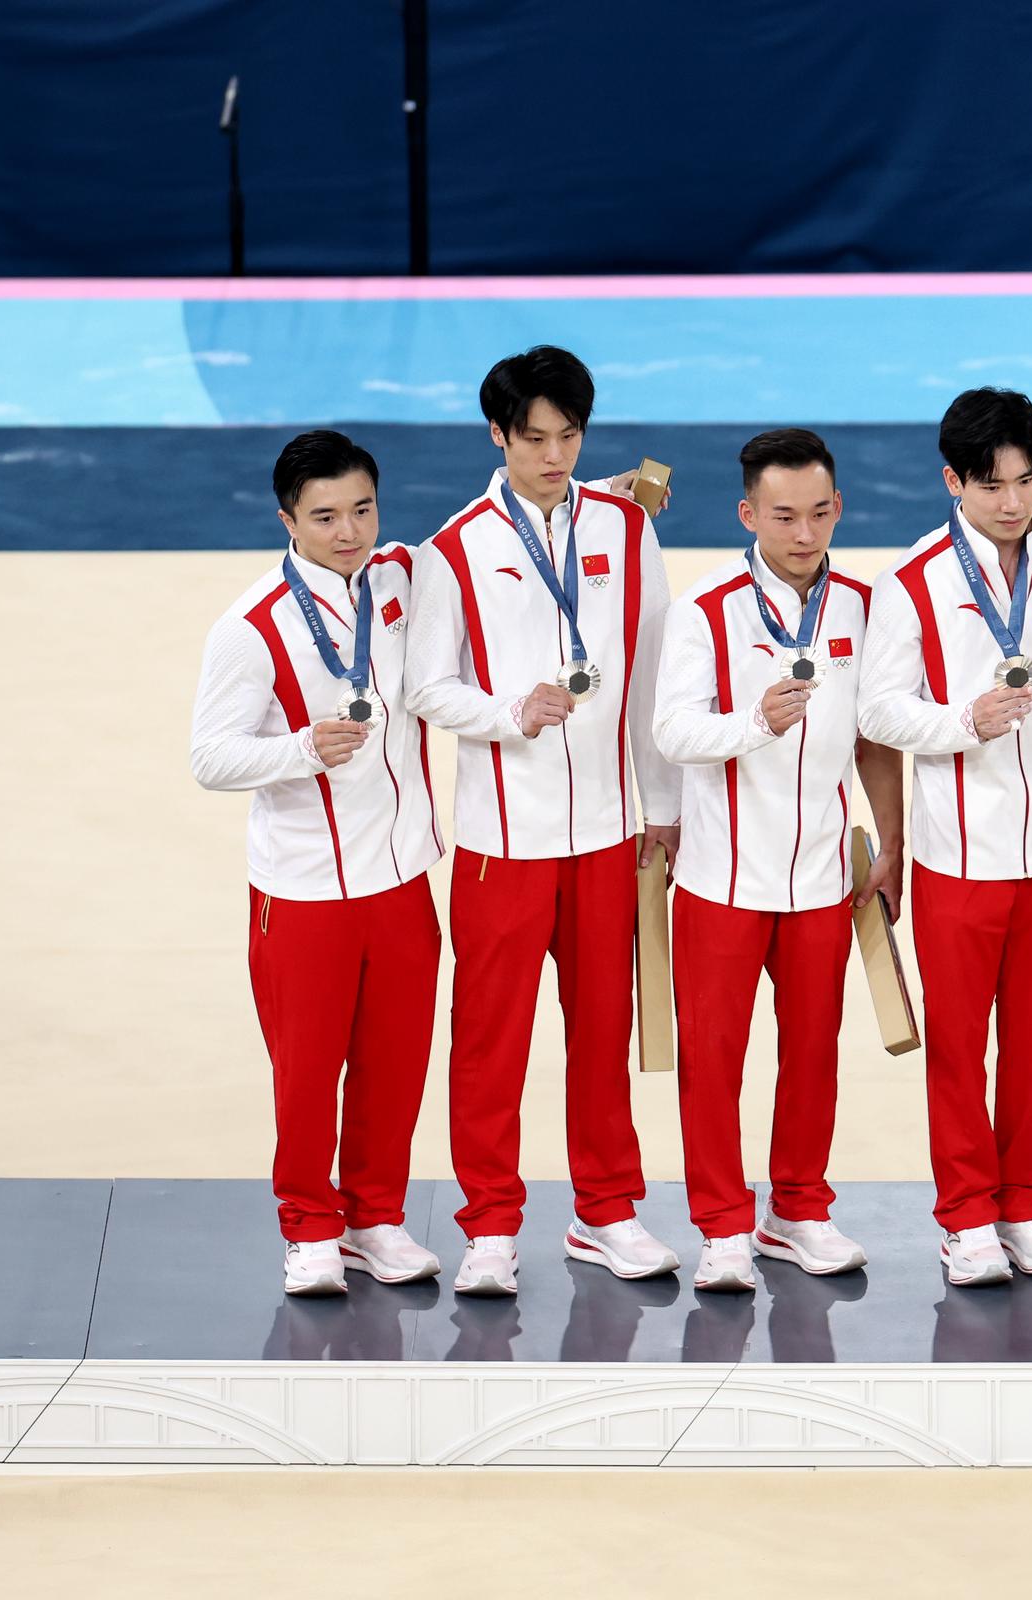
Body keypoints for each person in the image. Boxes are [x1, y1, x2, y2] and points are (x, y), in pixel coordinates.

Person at [407, 345, 683, 1294]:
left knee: (603, 1030)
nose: (554, 456)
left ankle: (606, 1213)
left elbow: (653, 677)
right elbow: (425, 686)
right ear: (498, 435)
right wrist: (506, 714)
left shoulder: (624, 526)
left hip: (606, 834)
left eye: (570, 437)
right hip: (501, 845)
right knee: (492, 1040)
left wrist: (667, 807)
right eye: (535, 439)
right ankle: (488, 1227)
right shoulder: (453, 549)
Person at [858, 388, 1032, 1286]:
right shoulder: (911, 580)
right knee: (961, 1046)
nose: (1012, 502)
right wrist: (966, 722)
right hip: (957, 851)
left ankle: (1024, 1201)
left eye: (1027, 480)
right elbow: (880, 710)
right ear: (952, 480)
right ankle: (965, 1215)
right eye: (992, 484)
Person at [191, 430, 444, 1295]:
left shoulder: (405, 576)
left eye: (363, 509)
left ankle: (376, 1217)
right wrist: (299, 750)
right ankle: (309, 1225)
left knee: (396, 1060)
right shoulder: (250, 627)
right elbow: (210, 758)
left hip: (403, 876)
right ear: (287, 519)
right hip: (304, 892)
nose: (350, 532)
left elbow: (494, 526)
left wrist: (613, 487)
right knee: (308, 1072)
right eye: (326, 516)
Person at [654, 429, 905, 1290]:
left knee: (814, 1051)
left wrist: (892, 843)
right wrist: (755, 724)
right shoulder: (707, 607)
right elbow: (673, 731)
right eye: (785, 516)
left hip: (822, 876)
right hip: (723, 878)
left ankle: (796, 1210)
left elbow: (877, 737)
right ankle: (722, 1226)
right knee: (714, 1060)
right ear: (748, 513)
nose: (805, 534)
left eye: (821, 513)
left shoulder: (867, 607)